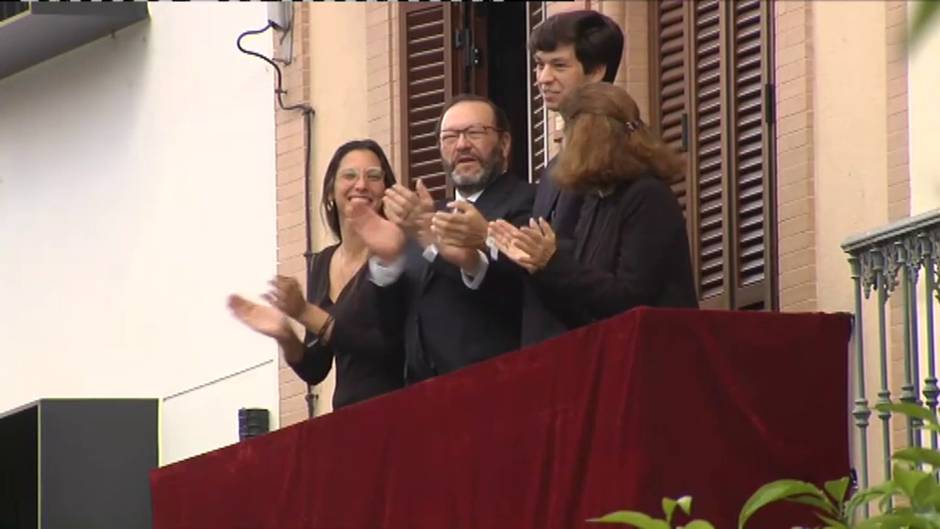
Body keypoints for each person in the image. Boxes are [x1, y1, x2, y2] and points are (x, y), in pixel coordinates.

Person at [348, 95, 535, 383]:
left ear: (505, 144)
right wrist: (389, 263)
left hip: (496, 386)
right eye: (450, 137)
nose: (461, 145)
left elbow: (519, 292)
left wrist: (436, 243)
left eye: (474, 133)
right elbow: (387, 327)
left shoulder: (528, 203)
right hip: (422, 399)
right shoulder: (423, 215)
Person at [489, 83, 698, 330]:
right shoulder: (594, 199)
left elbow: (631, 298)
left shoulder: (647, 197)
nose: (559, 139)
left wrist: (553, 262)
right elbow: (584, 306)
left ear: (588, 138)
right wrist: (538, 268)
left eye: (567, 129)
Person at [227, 140, 405, 410]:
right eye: (349, 176)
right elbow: (316, 368)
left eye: (373, 176)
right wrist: (285, 335)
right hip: (348, 418)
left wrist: (305, 312)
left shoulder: (396, 255)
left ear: (385, 190)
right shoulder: (322, 262)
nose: (361, 185)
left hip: (399, 410)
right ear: (331, 191)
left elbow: (385, 348)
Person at [522, 10, 626, 344]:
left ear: (596, 71)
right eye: (539, 65)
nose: (543, 78)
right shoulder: (552, 169)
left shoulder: (623, 160)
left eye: (559, 65)